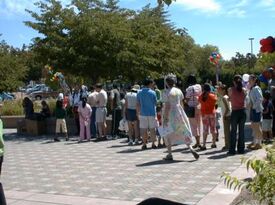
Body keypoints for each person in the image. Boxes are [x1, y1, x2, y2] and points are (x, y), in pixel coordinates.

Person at [162, 75, 199, 160]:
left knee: (168, 132)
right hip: (179, 112)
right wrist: (182, 113)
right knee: (183, 129)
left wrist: (165, 117)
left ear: (166, 83)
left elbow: (167, 105)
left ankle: (170, 154)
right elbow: (182, 103)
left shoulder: (166, 92)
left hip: (170, 113)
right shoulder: (178, 91)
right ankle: (190, 148)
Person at [228, 75, 247, 155]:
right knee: (241, 131)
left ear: (233, 82)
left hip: (235, 112)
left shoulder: (230, 89)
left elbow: (229, 98)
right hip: (243, 111)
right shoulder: (244, 90)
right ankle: (241, 149)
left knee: (233, 131)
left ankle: (232, 150)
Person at [137, 78, 157, 150]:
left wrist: (137, 113)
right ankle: (153, 144)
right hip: (151, 113)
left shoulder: (139, 92)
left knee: (143, 129)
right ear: (149, 84)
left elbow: (138, 104)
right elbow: (155, 103)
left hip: (142, 113)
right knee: (152, 129)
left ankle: (144, 144)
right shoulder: (153, 92)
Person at [198, 83, 217, 150]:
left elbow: (199, 101)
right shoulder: (213, 96)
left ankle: (204, 145)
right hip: (212, 113)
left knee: (205, 129)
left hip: (204, 114)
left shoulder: (200, 97)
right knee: (213, 129)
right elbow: (215, 102)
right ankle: (214, 143)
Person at [185, 75, 202, 149]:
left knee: (193, 126)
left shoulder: (189, 88)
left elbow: (187, 98)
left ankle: (197, 142)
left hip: (192, 108)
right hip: (199, 106)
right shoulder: (199, 86)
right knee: (199, 124)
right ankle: (199, 141)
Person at [248, 74, 263, 150]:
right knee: (254, 126)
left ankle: (259, 143)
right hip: (253, 109)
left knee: (257, 126)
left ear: (254, 80)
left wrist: (253, 105)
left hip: (256, 109)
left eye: (250, 79)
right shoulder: (252, 88)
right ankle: (255, 142)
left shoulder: (256, 88)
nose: (248, 81)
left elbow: (260, 99)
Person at [217, 84, 231, 150]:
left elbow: (228, 108)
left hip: (227, 115)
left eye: (219, 89)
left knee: (226, 131)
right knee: (227, 131)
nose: (218, 90)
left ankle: (227, 145)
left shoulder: (224, 98)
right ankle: (228, 144)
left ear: (223, 90)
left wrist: (224, 115)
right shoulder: (226, 96)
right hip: (228, 115)